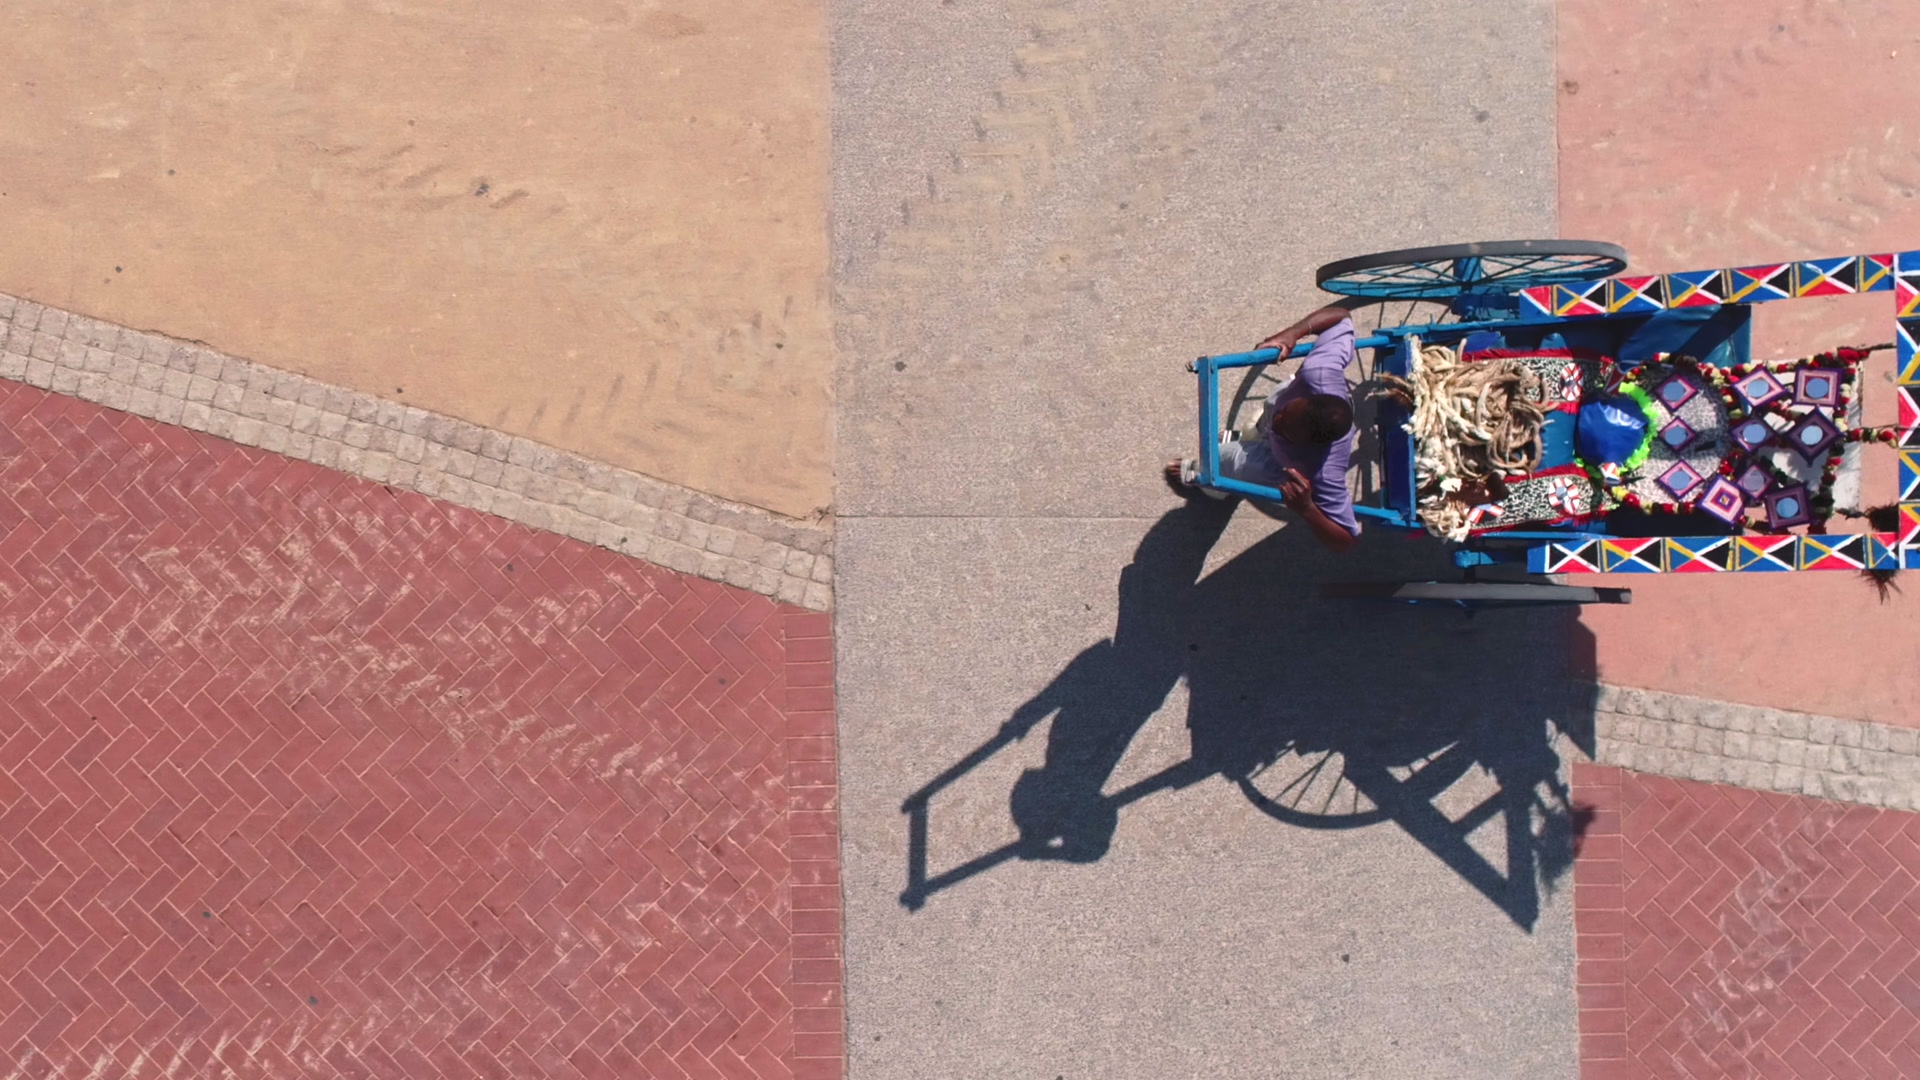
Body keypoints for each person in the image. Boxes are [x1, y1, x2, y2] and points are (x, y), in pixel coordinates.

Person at [1167, 304, 1361, 553]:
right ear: (1309, 396)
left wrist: (1307, 508)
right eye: (1287, 413)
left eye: (1286, 428)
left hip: (1280, 465)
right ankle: (1252, 436)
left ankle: (1208, 481)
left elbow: (1345, 539)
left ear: (1308, 444)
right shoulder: (1318, 373)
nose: (1280, 421)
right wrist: (1293, 333)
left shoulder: (1322, 470)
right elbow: (1342, 317)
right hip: (1284, 422)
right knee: (1270, 409)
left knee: (1219, 459)